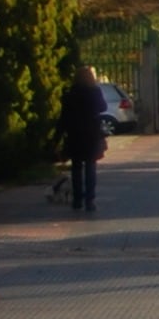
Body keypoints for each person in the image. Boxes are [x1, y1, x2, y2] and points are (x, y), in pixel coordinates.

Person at [59, 70, 110, 214]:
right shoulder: (94, 92)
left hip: (74, 134)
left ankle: (77, 200)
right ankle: (90, 200)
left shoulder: (70, 94)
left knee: (76, 168)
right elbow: (103, 107)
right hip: (91, 135)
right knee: (90, 167)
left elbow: (63, 117)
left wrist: (56, 138)